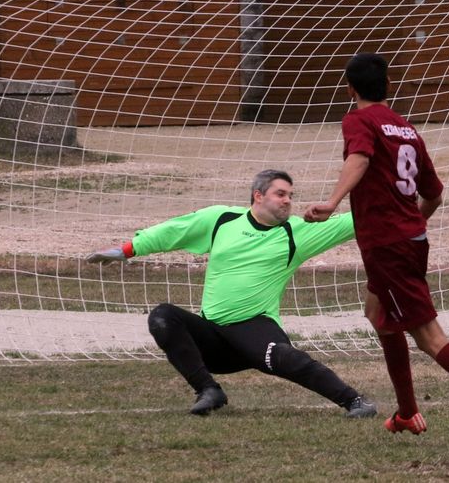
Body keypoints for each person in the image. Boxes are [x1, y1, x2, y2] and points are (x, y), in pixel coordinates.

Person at [304, 53, 449, 447]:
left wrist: (332, 202)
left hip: (387, 245)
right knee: (377, 313)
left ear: (350, 89)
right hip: (409, 241)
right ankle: (407, 412)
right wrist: (412, 224)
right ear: (388, 86)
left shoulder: (358, 120)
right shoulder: (406, 129)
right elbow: (434, 195)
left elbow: (359, 158)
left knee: (430, 338)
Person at [87, 168, 377, 419]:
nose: (288, 200)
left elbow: (355, 220)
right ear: (258, 196)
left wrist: (394, 197)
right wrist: (127, 250)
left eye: (290, 195)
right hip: (213, 338)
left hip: (255, 329)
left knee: (283, 357)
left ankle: (354, 401)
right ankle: (208, 390)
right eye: (280, 193)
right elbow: (173, 231)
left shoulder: (297, 232)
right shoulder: (221, 219)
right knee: (163, 317)